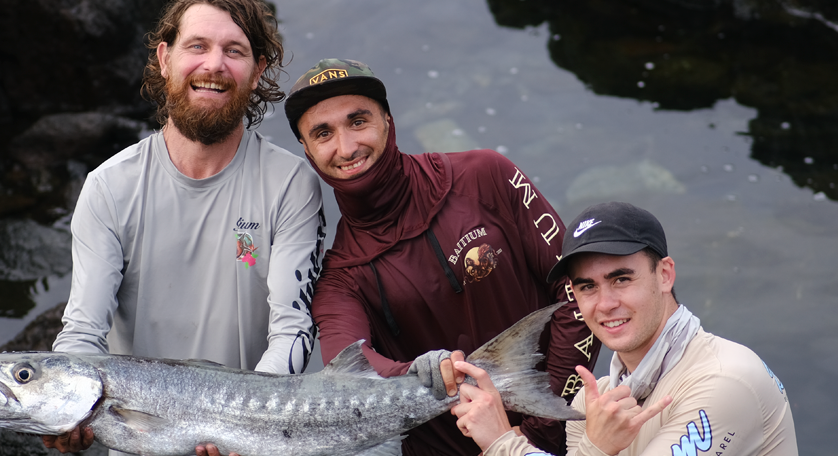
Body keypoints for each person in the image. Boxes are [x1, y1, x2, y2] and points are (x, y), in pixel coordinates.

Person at [44, 0, 326, 454]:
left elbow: (293, 327)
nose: (214, 65)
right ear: (165, 57)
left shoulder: (290, 184)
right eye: (197, 46)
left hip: (249, 440)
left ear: (257, 71)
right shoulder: (110, 188)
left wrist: (245, 425)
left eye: (234, 51)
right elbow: (84, 331)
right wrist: (59, 407)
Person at [283, 59, 599, 456]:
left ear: (388, 121)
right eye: (323, 133)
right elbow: (351, 376)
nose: (346, 147)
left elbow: (583, 297)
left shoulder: (488, 176)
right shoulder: (339, 280)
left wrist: (537, 435)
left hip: (568, 437)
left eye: (358, 121)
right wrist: (417, 374)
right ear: (308, 151)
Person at [452, 201, 799, 456]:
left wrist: (501, 443)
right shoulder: (596, 399)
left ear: (665, 274)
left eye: (621, 279)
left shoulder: (725, 381)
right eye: (587, 286)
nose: (605, 304)